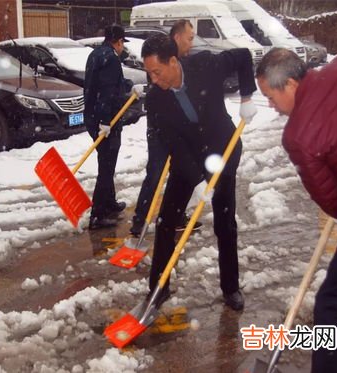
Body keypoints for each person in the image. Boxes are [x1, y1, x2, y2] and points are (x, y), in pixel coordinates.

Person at [256, 48, 337, 373]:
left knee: (333, 308)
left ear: (291, 84)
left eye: (270, 96)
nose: (271, 105)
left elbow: (334, 203)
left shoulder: (298, 136)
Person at [141, 34, 257, 311]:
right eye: (149, 74)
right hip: (188, 157)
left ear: (173, 61)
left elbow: (243, 56)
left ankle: (231, 287)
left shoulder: (205, 65)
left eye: (156, 72)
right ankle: (159, 287)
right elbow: (172, 144)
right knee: (167, 221)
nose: (153, 79)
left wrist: (247, 96)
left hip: (222, 151)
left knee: (224, 223)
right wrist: (195, 181)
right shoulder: (156, 99)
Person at [130, 19, 202, 236]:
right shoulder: (159, 55)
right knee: (155, 172)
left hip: (180, 130)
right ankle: (140, 221)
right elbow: (156, 87)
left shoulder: (184, 63)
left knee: (179, 171)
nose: (191, 43)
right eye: (189, 38)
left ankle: (176, 214)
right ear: (177, 38)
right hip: (160, 130)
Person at [84, 24, 133, 230]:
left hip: (93, 118)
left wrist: (128, 86)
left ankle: (110, 203)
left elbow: (107, 85)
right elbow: (106, 92)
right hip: (107, 122)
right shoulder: (111, 59)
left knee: (106, 161)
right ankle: (98, 214)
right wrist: (105, 121)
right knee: (106, 167)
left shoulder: (95, 54)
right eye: (122, 43)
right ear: (118, 41)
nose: (123, 48)